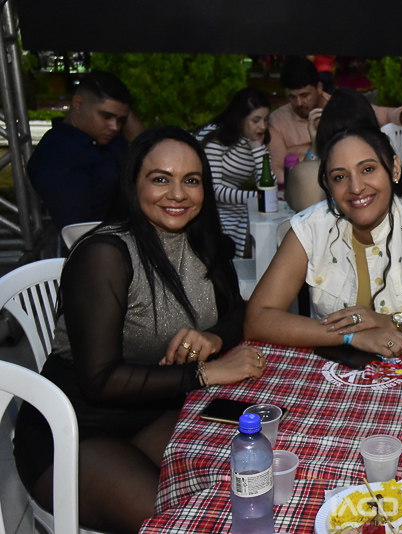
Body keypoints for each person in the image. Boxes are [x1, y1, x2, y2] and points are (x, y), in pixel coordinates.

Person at [14, 126, 265, 533]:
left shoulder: (204, 243)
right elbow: (100, 381)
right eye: (161, 179)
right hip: (74, 430)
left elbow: (239, 313)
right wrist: (204, 372)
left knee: (244, 477)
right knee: (181, 525)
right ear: (133, 184)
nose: (178, 194)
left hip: (152, 414)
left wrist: (214, 336)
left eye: (191, 180)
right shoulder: (105, 255)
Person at [246, 124, 402, 357]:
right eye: (340, 177)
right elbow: (258, 319)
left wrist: (390, 321)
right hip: (335, 370)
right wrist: (350, 336)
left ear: (395, 169)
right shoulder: (310, 228)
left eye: (368, 169)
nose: (356, 187)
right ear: (327, 185)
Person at [268, 56, 402, 185]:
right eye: (292, 97)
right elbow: (277, 170)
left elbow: (386, 114)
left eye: (305, 95)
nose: (299, 103)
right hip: (302, 187)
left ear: (319, 87)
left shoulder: (342, 107)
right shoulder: (278, 120)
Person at [27, 70, 145, 230]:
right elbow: (78, 230)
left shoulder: (102, 137)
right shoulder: (57, 155)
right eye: (106, 116)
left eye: (121, 120)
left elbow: (144, 145)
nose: (115, 126)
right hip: (110, 238)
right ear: (78, 104)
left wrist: (118, 106)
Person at [197, 88, 274, 257]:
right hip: (210, 207)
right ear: (239, 119)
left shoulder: (255, 140)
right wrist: (258, 197)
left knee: (266, 223)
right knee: (254, 227)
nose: (263, 126)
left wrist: (258, 149)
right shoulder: (215, 137)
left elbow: (268, 185)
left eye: (266, 119)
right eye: (256, 120)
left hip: (236, 205)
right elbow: (213, 190)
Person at [285, 88, 380, 213]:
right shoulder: (383, 164)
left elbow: (297, 197)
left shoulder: (306, 173)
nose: (356, 188)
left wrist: (315, 145)